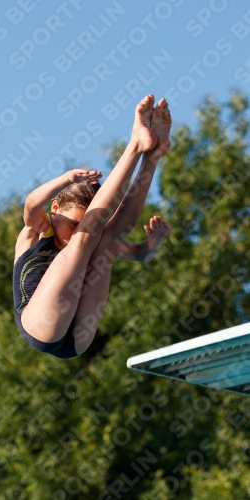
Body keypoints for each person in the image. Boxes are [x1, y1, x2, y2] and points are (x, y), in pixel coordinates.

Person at [13, 94, 172, 359]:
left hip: (75, 340)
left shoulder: (85, 238)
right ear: (55, 209)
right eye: (74, 222)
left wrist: (152, 242)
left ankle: (151, 157)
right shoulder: (40, 227)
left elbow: (142, 255)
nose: (76, 230)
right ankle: (136, 145)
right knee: (88, 238)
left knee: (106, 239)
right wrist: (64, 179)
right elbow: (30, 204)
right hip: (41, 325)